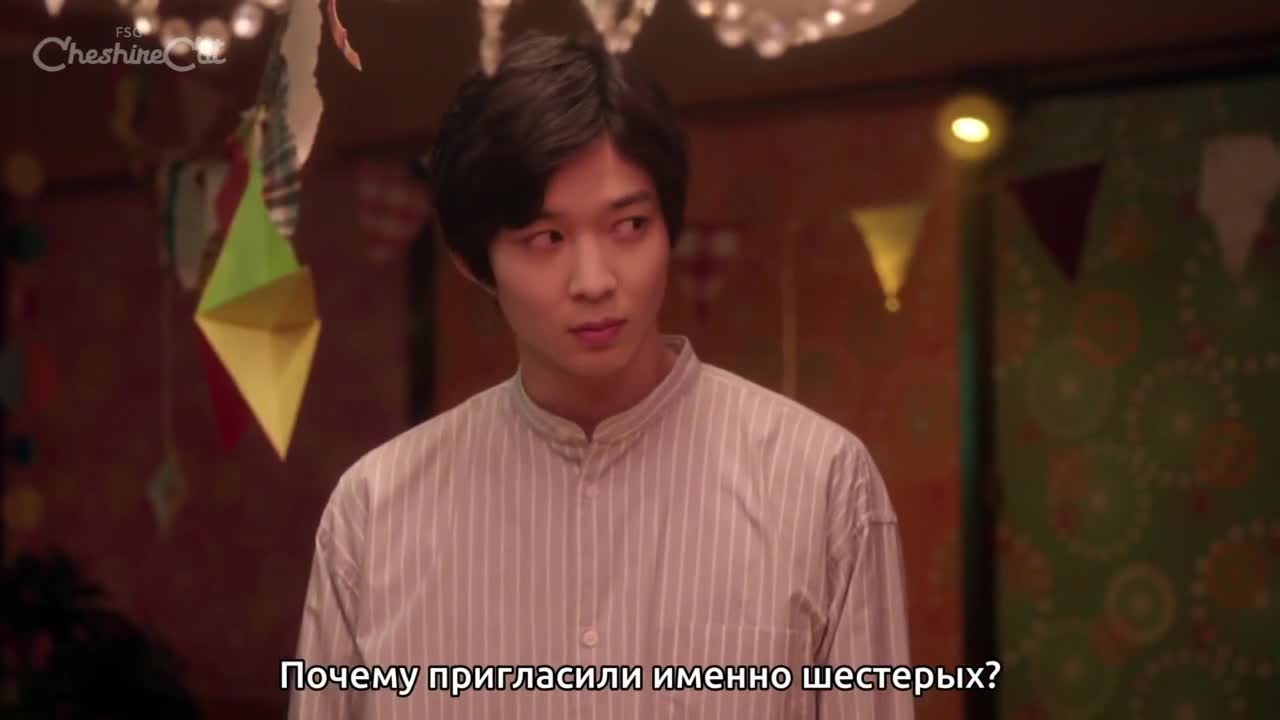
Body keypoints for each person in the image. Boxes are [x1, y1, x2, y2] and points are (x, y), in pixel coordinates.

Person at [288, 29, 913, 720]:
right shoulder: (374, 512)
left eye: (629, 226)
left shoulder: (821, 484)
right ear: (474, 264)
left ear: (670, 227)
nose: (594, 281)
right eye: (546, 239)